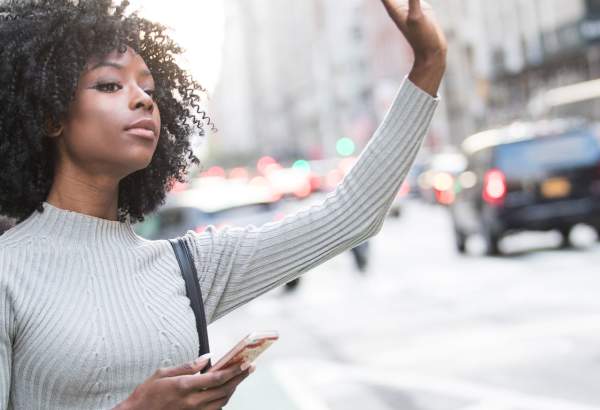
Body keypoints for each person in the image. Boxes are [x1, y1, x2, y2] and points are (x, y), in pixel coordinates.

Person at [0, 0, 446, 408]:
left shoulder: (185, 269)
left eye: (150, 90)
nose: (142, 100)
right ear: (51, 115)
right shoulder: (9, 272)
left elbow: (353, 215)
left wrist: (428, 65)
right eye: (110, 84)